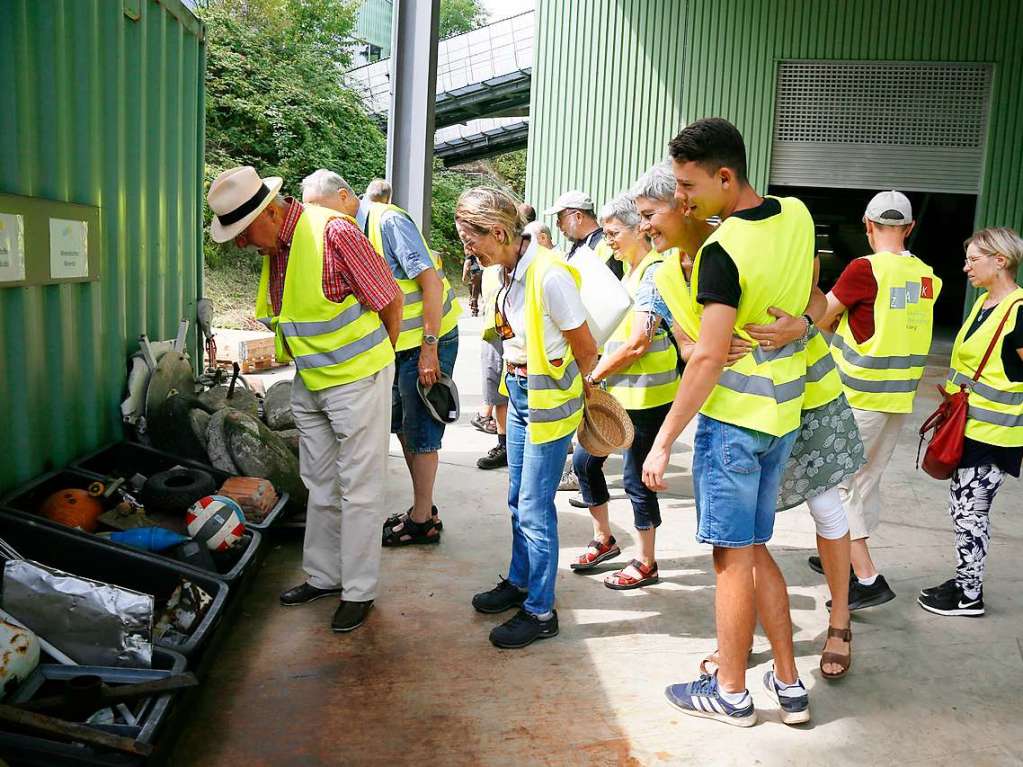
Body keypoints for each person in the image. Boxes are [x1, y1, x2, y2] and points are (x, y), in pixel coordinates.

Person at [637, 159, 861, 679]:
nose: (643, 226)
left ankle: (839, 622)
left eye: (652, 213)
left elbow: (816, 302)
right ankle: (752, 657)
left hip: (806, 395)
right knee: (748, 547)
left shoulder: (749, 242)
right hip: (747, 409)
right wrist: (712, 345)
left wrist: (800, 326)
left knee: (823, 508)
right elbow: (694, 346)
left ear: (686, 204)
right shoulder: (667, 275)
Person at [643, 118, 814, 727]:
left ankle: (733, 693)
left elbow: (709, 357)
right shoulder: (796, 214)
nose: (681, 196)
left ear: (724, 175)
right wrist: (802, 323)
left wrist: (663, 442)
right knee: (756, 548)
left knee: (731, 561)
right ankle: (790, 685)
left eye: (688, 185)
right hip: (782, 417)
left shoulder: (721, 252)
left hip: (735, 425)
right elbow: (811, 299)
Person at [208, 166, 401, 633]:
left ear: (270, 212)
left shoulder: (335, 231)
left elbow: (389, 300)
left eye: (243, 231)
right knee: (318, 482)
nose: (240, 244)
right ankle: (323, 575)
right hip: (311, 380)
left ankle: (358, 590)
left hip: (358, 379)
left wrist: (380, 367)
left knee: (359, 488)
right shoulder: (279, 246)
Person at [457, 187, 598, 649]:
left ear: (498, 232)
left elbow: (586, 348)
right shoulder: (505, 269)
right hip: (519, 394)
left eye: (469, 239)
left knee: (536, 509)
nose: (467, 248)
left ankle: (540, 611)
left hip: (546, 400)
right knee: (518, 499)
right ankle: (519, 582)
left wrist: (580, 396)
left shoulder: (550, 275)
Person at [301, 169, 461, 547]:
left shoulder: (388, 222)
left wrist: (429, 348)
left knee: (421, 429)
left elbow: (431, 285)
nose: (318, 220)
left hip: (425, 342)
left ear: (344, 196)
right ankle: (424, 508)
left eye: (322, 209)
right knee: (404, 426)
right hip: (397, 347)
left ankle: (422, 521)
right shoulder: (347, 230)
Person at [811, 190, 942, 610]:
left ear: (867, 226)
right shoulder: (927, 277)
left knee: (838, 483)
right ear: (909, 227)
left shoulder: (864, 269)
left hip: (858, 394)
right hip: (898, 397)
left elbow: (821, 315)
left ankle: (866, 578)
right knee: (866, 481)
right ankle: (844, 556)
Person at [568, 194, 679, 590]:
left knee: (635, 479)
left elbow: (638, 343)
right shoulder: (624, 270)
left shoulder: (654, 273)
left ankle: (646, 561)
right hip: (617, 391)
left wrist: (594, 374)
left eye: (615, 232)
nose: (608, 239)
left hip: (647, 397)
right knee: (584, 463)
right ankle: (605, 538)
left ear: (640, 229)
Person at [919, 228, 1023, 617]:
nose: (965, 267)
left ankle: (969, 596)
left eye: (973, 259)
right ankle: (966, 580)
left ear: (1001, 260)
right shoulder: (984, 304)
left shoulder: (1019, 310)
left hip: (996, 434)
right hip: (968, 427)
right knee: (962, 509)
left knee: (970, 513)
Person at [475, 252, 510, 470]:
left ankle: (507, 445)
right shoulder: (489, 265)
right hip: (492, 330)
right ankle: (504, 444)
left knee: (502, 389)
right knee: (495, 389)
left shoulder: (508, 261)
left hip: (506, 333)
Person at [462, 252, 483, 316]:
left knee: (474, 292)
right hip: (485, 272)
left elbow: (467, 264)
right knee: (484, 292)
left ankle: (474, 310)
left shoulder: (470, 254)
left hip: (475, 273)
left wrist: (464, 276)